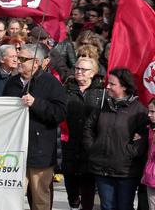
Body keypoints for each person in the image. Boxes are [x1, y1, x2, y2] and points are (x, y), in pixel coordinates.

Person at [2, 43, 67, 210]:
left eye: (23, 59)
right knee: (10, 197)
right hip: (15, 151)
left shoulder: (51, 83)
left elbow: (59, 113)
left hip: (40, 152)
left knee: (40, 199)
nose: (18, 62)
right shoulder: (12, 83)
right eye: (18, 58)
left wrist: (36, 103)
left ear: (36, 62)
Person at [83, 68, 148, 210]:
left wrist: (129, 153)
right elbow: (88, 128)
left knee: (124, 206)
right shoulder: (102, 106)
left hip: (126, 171)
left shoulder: (139, 111)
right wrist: (93, 148)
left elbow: (143, 138)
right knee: (107, 206)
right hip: (102, 168)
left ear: (124, 86)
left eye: (112, 84)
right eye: (108, 83)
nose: (107, 87)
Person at [62, 57, 105, 210]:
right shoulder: (66, 88)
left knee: (88, 183)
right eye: (77, 68)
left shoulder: (101, 92)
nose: (79, 72)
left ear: (93, 73)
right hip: (69, 143)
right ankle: (74, 204)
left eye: (84, 69)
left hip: (90, 145)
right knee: (70, 182)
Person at [143, 98, 155, 209]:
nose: (149, 115)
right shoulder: (150, 129)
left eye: (153, 112)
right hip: (151, 177)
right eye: (149, 111)